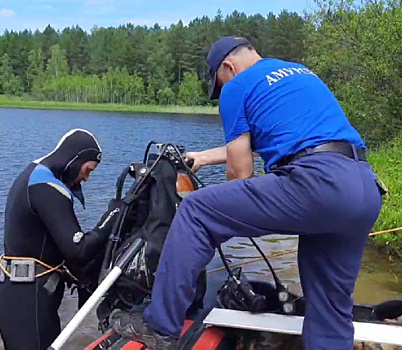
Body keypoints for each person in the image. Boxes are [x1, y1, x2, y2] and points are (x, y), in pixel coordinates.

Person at [110, 36, 386, 349]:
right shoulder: (298, 72)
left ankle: (160, 324)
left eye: (219, 83)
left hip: (317, 185)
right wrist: (203, 157)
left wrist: (227, 218)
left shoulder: (237, 86)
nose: (220, 93)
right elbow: (284, 140)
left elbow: (241, 175)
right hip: (362, 187)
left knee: (197, 212)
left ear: (228, 66)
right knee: (330, 309)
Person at [0, 128, 119, 350]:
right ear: (74, 159)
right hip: (28, 306)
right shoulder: (45, 187)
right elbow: (78, 251)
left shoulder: (32, 175)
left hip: (17, 299)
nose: (87, 178)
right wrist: (112, 218)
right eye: (88, 169)